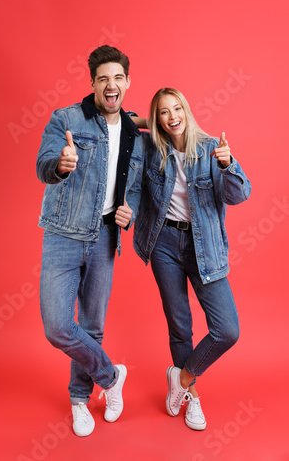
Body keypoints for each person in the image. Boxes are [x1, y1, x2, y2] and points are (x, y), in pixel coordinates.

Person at [36, 45, 144, 437]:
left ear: (127, 83)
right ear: (93, 84)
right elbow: (44, 164)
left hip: (104, 238)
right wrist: (60, 165)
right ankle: (112, 376)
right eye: (103, 79)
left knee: (93, 326)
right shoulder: (66, 118)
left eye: (118, 77)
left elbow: (135, 189)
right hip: (63, 232)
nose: (110, 85)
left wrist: (128, 209)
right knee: (58, 326)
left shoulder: (136, 133)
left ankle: (79, 400)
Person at [133, 88, 251, 430]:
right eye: (164, 113)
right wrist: (148, 122)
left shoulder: (212, 147)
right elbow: (122, 121)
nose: (172, 117)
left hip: (204, 247)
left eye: (177, 109)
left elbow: (240, 194)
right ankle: (192, 400)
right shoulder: (151, 147)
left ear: (187, 110)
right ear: (157, 118)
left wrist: (228, 164)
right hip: (164, 244)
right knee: (179, 325)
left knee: (226, 329)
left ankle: (181, 379)